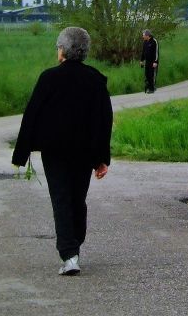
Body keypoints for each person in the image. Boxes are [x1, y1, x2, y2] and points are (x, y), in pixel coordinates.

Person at [11, 26, 112, 277]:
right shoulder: (95, 79)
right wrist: (102, 159)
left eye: (58, 47)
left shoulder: (49, 78)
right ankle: (73, 246)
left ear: (63, 50)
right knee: (77, 198)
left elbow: (31, 115)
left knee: (61, 199)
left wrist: (20, 155)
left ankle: (70, 254)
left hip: (54, 151)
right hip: (84, 152)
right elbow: (104, 121)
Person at [140, 29, 159, 93]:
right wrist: (141, 60)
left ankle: (152, 89)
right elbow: (143, 52)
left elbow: (156, 52)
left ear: (147, 35)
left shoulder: (154, 41)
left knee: (151, 75)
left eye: (143, 35)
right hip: (147, 61)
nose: (143, 36)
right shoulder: (145, 42)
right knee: (147, 75)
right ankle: (149, 87)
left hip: (153, 62)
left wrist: (155, 62)